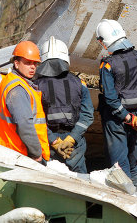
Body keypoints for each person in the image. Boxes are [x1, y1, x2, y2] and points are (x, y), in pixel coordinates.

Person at [96, 19, 137, 194]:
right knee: (132, 161)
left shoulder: (107, 64)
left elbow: (110, 98)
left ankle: (126, 201)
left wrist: (127, 118)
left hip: (117, 121)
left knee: (118, 165)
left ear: (104, 41)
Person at [36, 36, 94, 173]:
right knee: (81, 183)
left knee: (49, 181)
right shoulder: (80, 83)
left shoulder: (35, 86)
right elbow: (87, 115)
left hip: (48, 143)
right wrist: (71, 138)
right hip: (74, 143)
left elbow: (34, 118)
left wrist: (55, 142)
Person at [0, 41, 50, 163]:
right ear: (16, 64)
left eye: (35, 63)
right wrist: (36, 153)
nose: (33, 66)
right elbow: (25, 124)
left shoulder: (12, 81)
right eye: (28, 63)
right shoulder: (17, 88)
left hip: (11, 150)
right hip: (19, 153)